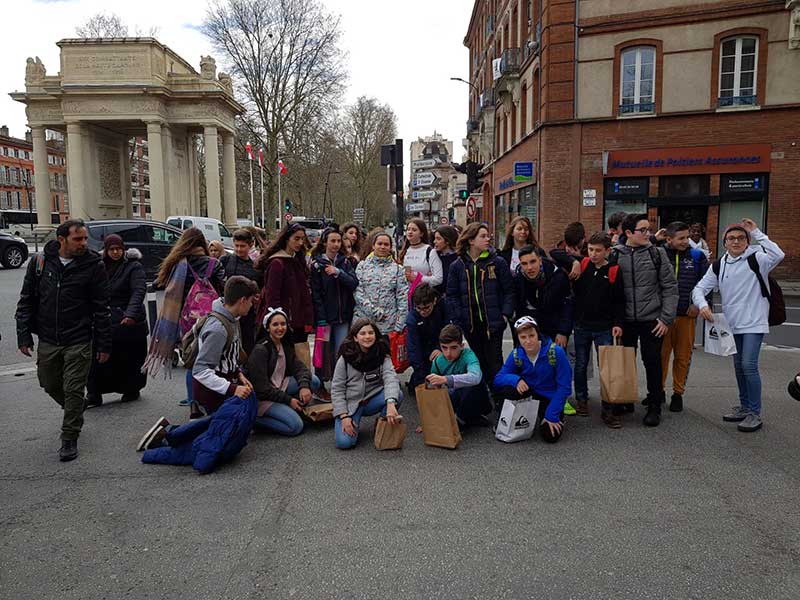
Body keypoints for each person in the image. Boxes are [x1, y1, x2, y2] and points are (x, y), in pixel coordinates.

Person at [15, 219, 111, 462]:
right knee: (48, 383)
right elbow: (27, 301)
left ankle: (69, 437)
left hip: (79, 337)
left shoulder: (93, 265)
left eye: (85, 238)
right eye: (77, 239)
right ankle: (74, 409)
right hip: (48, 337)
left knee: (73, 387)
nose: (83, 243)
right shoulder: (40, 263)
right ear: (61, 240)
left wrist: (103, 344)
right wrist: (23, 335)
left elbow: (101, 308)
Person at [692, 219, 785, 433]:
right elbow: (699, 288)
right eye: (731, 238)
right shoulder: (719, 264)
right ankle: (744, 407)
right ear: (725, 242)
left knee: (748, 365)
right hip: (731, 324)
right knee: (739, 367)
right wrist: (703, 305)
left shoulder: (759, 259)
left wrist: (757, 232)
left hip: (754, 321)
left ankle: (754, 412)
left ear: (747, 241)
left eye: (741, 238)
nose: (736, 241)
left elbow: (779, 254)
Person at [144, 227, 225, 415]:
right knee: (213, 361)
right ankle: (213, 403)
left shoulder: (177, 264)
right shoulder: (214, 264)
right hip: (213, 319)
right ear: (202, 243)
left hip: (187, 322)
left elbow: (166, 288)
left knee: (192, 362)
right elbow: (222, 290)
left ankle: (193, 405)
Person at [612, 213, 679, 427]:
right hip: (626, 320)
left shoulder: (657, 254)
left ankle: (654, 405)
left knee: (652, 362)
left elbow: (670, 288)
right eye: (643, 230)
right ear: (629, 233)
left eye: (649, 230)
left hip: (652, 319)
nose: (648, 234)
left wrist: (665, 318)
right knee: (625, 362)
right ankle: (626, 400)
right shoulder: (615, 254)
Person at [446, 222, 514, 418]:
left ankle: (501, 401)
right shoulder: (457, 266)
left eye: (488, 236)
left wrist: (504, 314)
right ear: (471, 240)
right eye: (483, 236)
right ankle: (483, 401)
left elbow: (509, 291)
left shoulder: (497, 262)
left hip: (493, 324)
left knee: (495, 363)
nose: (488, 239)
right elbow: (451, 295)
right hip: (470, 324)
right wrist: (459, 319)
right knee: (478, 363)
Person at [85, 234, 148, 407]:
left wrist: (130, 314)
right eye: (111, 249)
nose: (115, 252)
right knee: (98, 359)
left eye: (118, 249)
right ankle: (94, 393)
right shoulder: (99, 266)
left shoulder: (134, 267)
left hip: (128, 321)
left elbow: (138, 291)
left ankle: (131, 389)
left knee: (129, 359)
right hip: (104, 319)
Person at [571, 232, 625, 424]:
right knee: (580, 364)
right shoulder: (584, 264)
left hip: (604, 327)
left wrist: (618, 323)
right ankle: (582, 400)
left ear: (608, 251)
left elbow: (619, 301)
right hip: (582, 326)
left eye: (598, 251)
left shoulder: (614, 271)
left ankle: (608, 408)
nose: (593, 254)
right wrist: (576, 262)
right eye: (590, 249)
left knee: (607, 369)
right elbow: (557, 253)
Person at [492, 317, 572, 443]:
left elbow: (565, 386)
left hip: (549, 397)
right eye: (523, 337)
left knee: (550, 436)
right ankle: (504, 418)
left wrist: (552, 415)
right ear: (518, 338)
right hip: (529, 394)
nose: (528, 341)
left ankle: (551, 414)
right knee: (507, 388)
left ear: (537, 335)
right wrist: (516, 380)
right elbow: (498, 379)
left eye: (531, 336)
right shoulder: (516, 355)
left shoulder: (556, 352)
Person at [245, 308, 322, 437]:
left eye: (283, 324)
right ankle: (254, 420)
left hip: (279, 386)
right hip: (263, 398)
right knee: (296, 427)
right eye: (275, 324)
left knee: (313, 382)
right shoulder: (261, 350)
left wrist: (304, 386)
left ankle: (288, 409)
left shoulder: (284, 344)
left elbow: (300, 368)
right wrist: (288, 400)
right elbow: (261, 389)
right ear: (267, 328)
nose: (280, 328)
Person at [660, 222, 709, 413]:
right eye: (680, 238)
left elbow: (707, 283)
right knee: (661, 356)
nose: (685, 241)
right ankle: (658, 391)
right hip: (663, 317)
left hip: (686, 317)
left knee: (682, 357)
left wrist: (699, 304)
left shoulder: (697, 256)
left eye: (686, 237)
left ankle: (678, 393)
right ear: (669, 239)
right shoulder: (659, 254)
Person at [331, 318, 403, 449]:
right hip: (351, 404)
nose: (367, 337)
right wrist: (343, 416)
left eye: (371, 333)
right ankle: (348, 422)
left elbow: (390, 378)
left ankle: (382, 422)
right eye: (362, 333)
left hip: (373, 399)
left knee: (398, 393)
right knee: (344, 443)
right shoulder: (345, 358)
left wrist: (391, 402)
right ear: (355, 338)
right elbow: (337, 389)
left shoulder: (382, 354)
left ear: (376, 335)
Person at [192, 276, 257, 414]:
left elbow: (227, 357)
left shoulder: (232, 318)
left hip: (224, 384)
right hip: (213, 394)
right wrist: (233, 389)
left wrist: (239, 374)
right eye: (251, 301)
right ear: (243, 301)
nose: (252, 305)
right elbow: (200, 370)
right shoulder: (218, 329)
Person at [255, 223, 314, 367]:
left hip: (299, 320)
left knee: (300, 362)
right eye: (297, 238)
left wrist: (308, 319)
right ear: (287, 238)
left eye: (302, 239)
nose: (300, 243)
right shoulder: (277, 263)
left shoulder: (297, 260)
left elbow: (303, 294)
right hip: (284, 321)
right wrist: (276, 322)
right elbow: (272, 297)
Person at [310, 227, 359, 373]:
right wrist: (321, 317)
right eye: (332, 241)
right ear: (325, 243)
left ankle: (340, 381)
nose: (336, 244)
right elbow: (316, 294)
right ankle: (320, 383)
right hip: (325, 316)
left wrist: (339, 273)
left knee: (341, 350)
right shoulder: (317, 265)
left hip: (342, 316)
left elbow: (353, 282)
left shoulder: (345, 263)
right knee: (323, 351)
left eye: (338, 241)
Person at [426, 324, 491, 429]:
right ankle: (465, 418)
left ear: (462, 346)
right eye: (444, 348)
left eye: (453, 348)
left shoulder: (468, 355)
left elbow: (475, 377)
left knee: (473, 384)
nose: (448, 353)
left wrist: (446, 379)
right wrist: (429, 421)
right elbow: (434, 392)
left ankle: (462, 419)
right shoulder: (437, 362)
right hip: (454, 399)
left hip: (475, 398)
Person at [513, 246, 573, 348]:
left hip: (554, 330)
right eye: (524, 264)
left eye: (533, 262)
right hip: (531, 332)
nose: (529, 267)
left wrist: (563, 332)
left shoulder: (558, 277)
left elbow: (567, 305)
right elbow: (519, 309)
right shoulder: (518, 279)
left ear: (540, 261)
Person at [354, 232, 408, 338]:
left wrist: (399, 326)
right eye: (379, 244)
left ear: (390, 247)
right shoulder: (362, 266)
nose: (382, 247)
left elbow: (402, 299)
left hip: (388, 327)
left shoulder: (398, 269)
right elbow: (358, 292)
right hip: (364, 324)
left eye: (386, 244)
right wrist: (373, 311)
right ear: (373, 246)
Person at [220, 229, 262, 355]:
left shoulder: (256, 268)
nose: (239, 249)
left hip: (247, 315)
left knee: (247, 345)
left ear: (250, 245)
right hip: (227, 311)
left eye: (242, 246)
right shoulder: (225, 261)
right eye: (236, 246)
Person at [406, 283, 447, 393]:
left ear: (434, 301)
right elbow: (413, 348)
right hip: (423, 350)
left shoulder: (443, 308)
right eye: (419, 308)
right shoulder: (412, 318)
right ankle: (415, 381)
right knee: (422, 379)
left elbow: (451, 330)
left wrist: (440, 347)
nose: (423, 311)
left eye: (426, 307)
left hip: (440, 345)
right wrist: (420, 375)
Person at [399, 218, 443, 291]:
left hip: (422, 296)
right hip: (405, 295)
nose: (410, 232)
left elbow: (438, 279)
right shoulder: (404, 252)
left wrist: (418, 279)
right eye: (408, 229)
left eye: (414, 230)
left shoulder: (430, 252)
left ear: (421, 233)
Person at [433, 225, 459, 297]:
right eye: (435, 238)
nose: (434, 242)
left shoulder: (458, 258)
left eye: (438, 239)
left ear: (447, 241)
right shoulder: (434, 256)